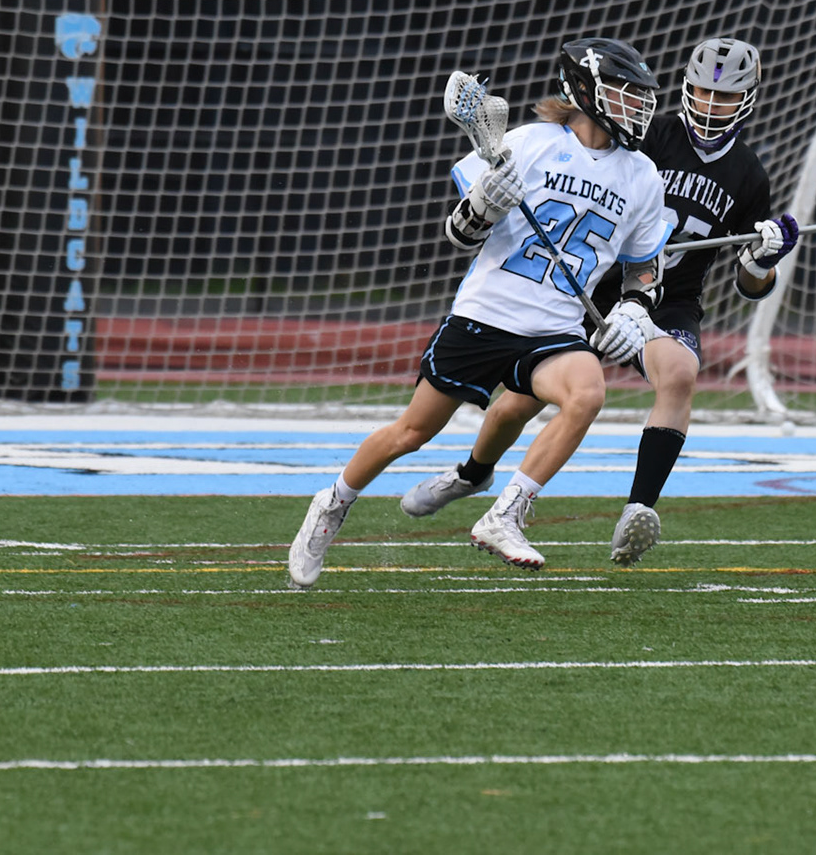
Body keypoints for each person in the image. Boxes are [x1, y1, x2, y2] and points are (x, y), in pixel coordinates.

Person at [400, 36, 798, 566]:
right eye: (702, 91)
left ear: (747, 100)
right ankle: (472, 474)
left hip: (667, 300)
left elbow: (749, 286)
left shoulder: (749, 175)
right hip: (591, 283)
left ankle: (639, 508)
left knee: (680, 374)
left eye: (723, 96)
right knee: (518, 403)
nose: (709, 104)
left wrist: (763, 260)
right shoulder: (647, 131)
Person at [285, 36, 671, 584]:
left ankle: (505, 514)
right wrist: (484, 205)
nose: (637, 106)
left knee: (587, 393)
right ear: (584, 90)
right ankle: (331, 503)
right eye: (624, 91)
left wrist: (634, 310)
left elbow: (644, 266)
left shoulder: (643, 176)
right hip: (486, 315)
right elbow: (459, 234)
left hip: (555, 327)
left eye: (640, 95)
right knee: (411, 432)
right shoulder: (529, 143)